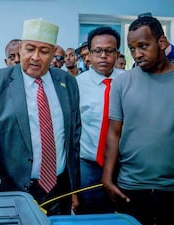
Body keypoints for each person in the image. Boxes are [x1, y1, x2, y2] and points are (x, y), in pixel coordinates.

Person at [0, 18, 81, 216]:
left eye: (44, 51)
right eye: (30, 49)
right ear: (20, 48)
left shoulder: (67, 83)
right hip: (12, 191)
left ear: (54, 53)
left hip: (58, 191)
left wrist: (73, 188)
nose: (36, 57)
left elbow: (73, 138)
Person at [101, 16, 174, 225]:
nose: (137, 54)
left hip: (172, 189)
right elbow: (113, 133)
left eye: (143, 46)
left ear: (161, 43)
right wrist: (107, 178)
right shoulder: (121, 83)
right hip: (130, 186)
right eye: (132, 48)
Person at [75, 26, 122, 215]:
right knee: (90, 214)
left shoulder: (128, 81)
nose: (103, 56)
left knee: (122, 213)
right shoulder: (77, 84)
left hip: (122, 164)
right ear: (89, 54)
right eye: (97, 51)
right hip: (89, 164)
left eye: (109, 51)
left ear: (117, 53)